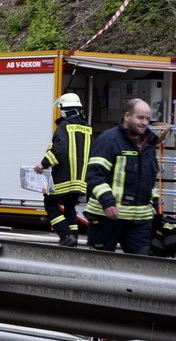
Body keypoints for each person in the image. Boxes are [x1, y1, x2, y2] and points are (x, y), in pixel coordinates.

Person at [85, 97, 159, 255]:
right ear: (127, 116)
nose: (145, 122)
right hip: (107, 217)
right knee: (100, 265)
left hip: (139, 220)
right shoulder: (109, 140)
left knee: (142, 264)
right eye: (140, 117)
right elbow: (95, 175)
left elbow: (149, 180)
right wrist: (107, 202)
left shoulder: (148, 144)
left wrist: (156, 204)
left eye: (147, 119)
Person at [34, 93, 92, 247]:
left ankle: (65, 235)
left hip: (63, 179)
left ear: (64, 110)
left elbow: (59, 150)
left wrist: (43, 164)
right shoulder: (87, 128)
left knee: (50, 204)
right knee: (70, 207)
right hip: (79, 181)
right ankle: (73, 238)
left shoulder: (64, 127)